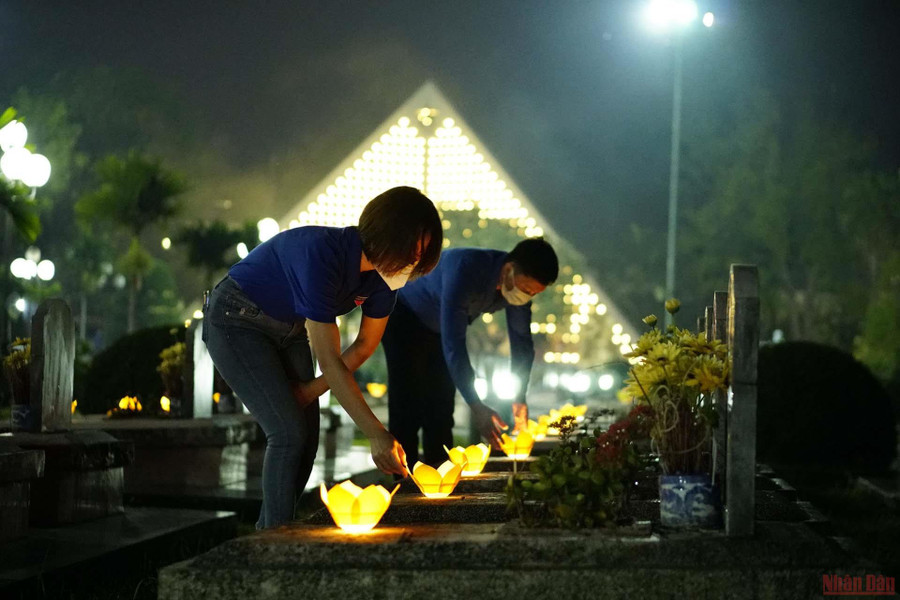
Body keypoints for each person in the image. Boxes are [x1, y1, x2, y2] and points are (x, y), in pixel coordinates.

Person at [203, 186, 442, 529]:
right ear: (387, 236)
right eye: (412, 252)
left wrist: (307, 391)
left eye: (421, 256)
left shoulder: (382, 281)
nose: (413, 264)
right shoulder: (321, 255)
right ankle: (277, 540)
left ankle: (269, 531)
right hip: (235, 319)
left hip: (289, 330)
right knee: (287, 433)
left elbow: (364, 345)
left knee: (306, 441)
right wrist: (376, 433)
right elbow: (330, 359)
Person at [381, 237, 559, 467]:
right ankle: (403, 478)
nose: (526, 297)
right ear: (508, 270)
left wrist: (519, 398)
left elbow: (522, 343)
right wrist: (476, 405)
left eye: (533, 294)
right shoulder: (466, 269)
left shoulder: (517, 291)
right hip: (405, 314)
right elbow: (454, 344)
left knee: (441, 406)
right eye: (526, 289)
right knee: (407, 402)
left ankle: (439, 473)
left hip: (439, 327)